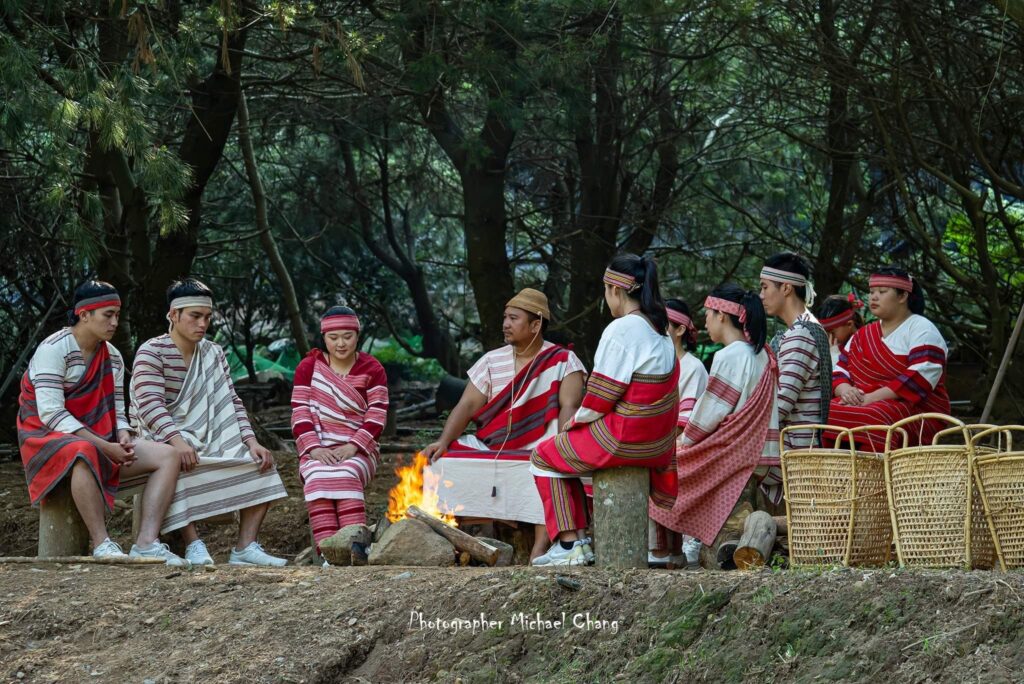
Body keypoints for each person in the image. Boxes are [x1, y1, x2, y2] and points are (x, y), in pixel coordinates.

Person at [17, 280, 187, 565]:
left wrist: (122, 434)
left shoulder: (114, 357)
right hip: (46, 438)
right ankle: (102, 542)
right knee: (83, 451)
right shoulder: (53, 349)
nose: (114, 322)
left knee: (168, 455)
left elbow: (117, 409)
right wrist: (105, 447)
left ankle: (146, 542)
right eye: (107, 315)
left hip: (100, 438)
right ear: (84, 315)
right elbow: (50, 414)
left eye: (117, 315)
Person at [530, 254, 678, 566]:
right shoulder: (660, 330)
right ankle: (578, 544)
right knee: (563, 454)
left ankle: (572, 545)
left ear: (614, 290)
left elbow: (600, 396)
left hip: (623, 438)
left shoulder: (622, 329)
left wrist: (575, 422)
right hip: (657, 445)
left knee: (544, 454)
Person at [129, 278, 288, 567]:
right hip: (160, 435)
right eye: (195, 316)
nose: (202, 324)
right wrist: (177, 442)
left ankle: (244, 547)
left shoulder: (213, 353)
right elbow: (150, 406)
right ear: (173, 315)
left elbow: (231, 401)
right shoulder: (151, 351)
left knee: (260, 462)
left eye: (207, 317)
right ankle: (193, 544)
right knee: (179, 460)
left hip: (210, 431)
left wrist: (252, 442)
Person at [422, 289, 586, 561]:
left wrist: (562, 450)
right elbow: (467, 405)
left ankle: (540, 548)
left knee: (546, 469)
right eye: (505, 318)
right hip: (493, 444)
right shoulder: (491, 360)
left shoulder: (563, 361)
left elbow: (569, 408)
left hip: (541, 445)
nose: (505, 324)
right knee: (441, 460)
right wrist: (443, 440)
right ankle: (448, 542)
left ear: (535, 325)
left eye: (513, 318)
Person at [649, 284, 780, 564]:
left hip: (734, 453)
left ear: (722, 315)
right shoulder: (762, 354)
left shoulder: (731, 356)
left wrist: (686, 440)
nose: (705, 321)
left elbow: (711, 413)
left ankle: (663, 551)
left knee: (663, 468)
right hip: (760, 453)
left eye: (708, 314)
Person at [291, 306, 388, 562]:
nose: (341, 344)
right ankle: (328, 554)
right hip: (317, 447)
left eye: (347, 336)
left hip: (359, 450)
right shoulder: (308, 367)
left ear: (357, 335)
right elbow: (299, 412)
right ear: (323, 338)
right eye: (333, 338)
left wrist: (354, 446)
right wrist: (314, 448)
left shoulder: (372, 368)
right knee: (316, 475)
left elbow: (377, 415)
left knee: (345, 473)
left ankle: (354, 551)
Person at [827, 268, 952, 448]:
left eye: (882, 292)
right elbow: (840, 370)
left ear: (902, 296)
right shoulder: (862, 334)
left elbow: (919, 378)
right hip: (863, 403)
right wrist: (846, 390)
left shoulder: (922, 328)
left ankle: (874, 473)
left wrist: (871, 398)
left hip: (914, 409)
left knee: (876, 416)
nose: (873, 297)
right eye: (871, 292)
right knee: (826, 411)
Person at [649, 298, 708, 567]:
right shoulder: (656, 362)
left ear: (680, 330)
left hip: (684, 443)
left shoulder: (693, 367)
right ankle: (662, 549)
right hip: (662, 440)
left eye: (663, 324)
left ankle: (667, 549)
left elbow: (686, 421)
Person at [759, 252, 832, 450]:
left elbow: (781, 404)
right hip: (794, 442)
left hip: (793, 449)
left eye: (765, 287)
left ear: (786, 288)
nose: (761, 295)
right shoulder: (807, 327)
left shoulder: (801, 333)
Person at [818, 293, 865, 367]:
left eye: (832, 333)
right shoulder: (840, 346)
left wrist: (835, 357)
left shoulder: (863, 345)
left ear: (849, 324)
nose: (830, 338)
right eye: (827, 334)